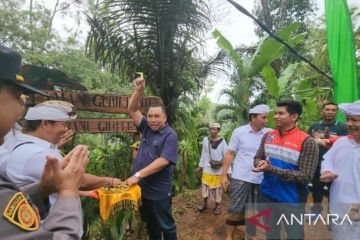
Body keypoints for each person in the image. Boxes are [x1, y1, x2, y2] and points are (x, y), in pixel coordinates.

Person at [0, 44, 88, 239]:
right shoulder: (36, 153)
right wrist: (67, 190)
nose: (22, 103)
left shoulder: (40, 147)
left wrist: (42, 188)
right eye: (17, 95)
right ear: (45, 124)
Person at [6, 100, 122, 216]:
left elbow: (52, 187)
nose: (66, 129)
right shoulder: (36, 153)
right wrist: (110, 181)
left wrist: (86, 193)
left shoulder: (36, 147)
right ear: (45, 123)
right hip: (50, 228)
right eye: (64, 124)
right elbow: (76, 180)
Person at [253, 100, 319, 239]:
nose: (276, 116)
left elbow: (305, 176)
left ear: (294, 117)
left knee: (294, 235)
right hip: (267, 195)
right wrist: (260, 164)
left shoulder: (307, 141)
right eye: (275, 113)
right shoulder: (268, 136)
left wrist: (272, 169)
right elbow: (257, 157)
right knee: (271, 234)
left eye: (281, 113)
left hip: (292, 200)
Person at [126, 77, 178, 240]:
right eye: (150, 116)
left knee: (166, 225)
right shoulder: (146, 127)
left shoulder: (170, 135)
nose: (153, 120)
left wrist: (138, 175)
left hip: (159, 190)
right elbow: (132, 110)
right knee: (151, 224)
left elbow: (163, 161)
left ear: (165, 118)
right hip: (143, 188)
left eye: (157, 116)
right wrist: (138, 91)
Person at [221, 104, 271, 240]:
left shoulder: (269, 133)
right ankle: (229, 236)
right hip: (241, 176)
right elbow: (230, 153)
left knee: (257, 209)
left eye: (267, 117)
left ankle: (251, 235)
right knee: (235, 207)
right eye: (263, 117)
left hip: (261, 178)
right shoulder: (239, 132)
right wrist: (224, 175)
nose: (266, 120)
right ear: (253, 117)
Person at [320, 101, 360, 240]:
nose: (349, 124)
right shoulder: (341, 143)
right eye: (348, 120)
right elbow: (328, 160)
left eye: (355, 120)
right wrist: (327, 172)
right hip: (339, 202)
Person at [308, 102, 347, 217]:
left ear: (337, 112)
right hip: (317, 163)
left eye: (333, 110)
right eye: (327, 109)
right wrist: (315, 139)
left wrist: (329, 139)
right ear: (322, 111)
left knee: (333, 192)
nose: (330, 112)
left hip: (335, 166)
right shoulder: (314, 126)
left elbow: (345, 145)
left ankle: (332, 216)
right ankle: (316, 213)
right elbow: (307, 142)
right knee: (316, 190)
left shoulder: (342, 127)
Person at [195, 122, 228, 215]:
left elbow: (226, 156)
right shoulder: (206, 140)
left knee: (218, 189)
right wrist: (200, 166)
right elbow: (203, 154)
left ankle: (217, 206)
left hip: (218, 170)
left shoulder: (222, 141)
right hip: (207, 169)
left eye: (214, 129)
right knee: (205, 187)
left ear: (218, 131)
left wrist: (228, 171)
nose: (212, 131)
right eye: (211, 129)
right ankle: (204, 204)